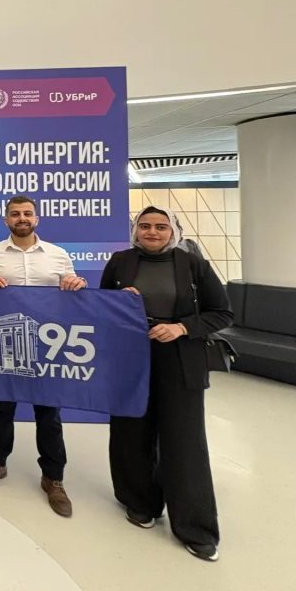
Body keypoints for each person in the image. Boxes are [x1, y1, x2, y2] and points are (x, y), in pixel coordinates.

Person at [101, 205, 232, 562]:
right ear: (136, 230)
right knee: (130, 430)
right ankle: (140, 503)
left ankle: (195, 527)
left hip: (180, 359)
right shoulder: (120, 262)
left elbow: (222, 312)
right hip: (132, 356)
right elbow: (103, 308)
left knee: (184, 440)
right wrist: (119, 303)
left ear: (173, 231)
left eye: (161, 227)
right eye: (145, 226)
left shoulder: (193, 264)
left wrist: (182, 327)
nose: (152, 232)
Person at [0, 195, 86, 517]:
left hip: (46, 344)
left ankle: (53, 477)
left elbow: (73, 291)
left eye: (27, 213)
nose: (21, 218)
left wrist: (76, 283)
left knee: (48, 411)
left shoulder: (58, 254)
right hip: (7, 339)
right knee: (2, 405)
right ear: (6, 220)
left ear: (36, 218)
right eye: (15, 214)